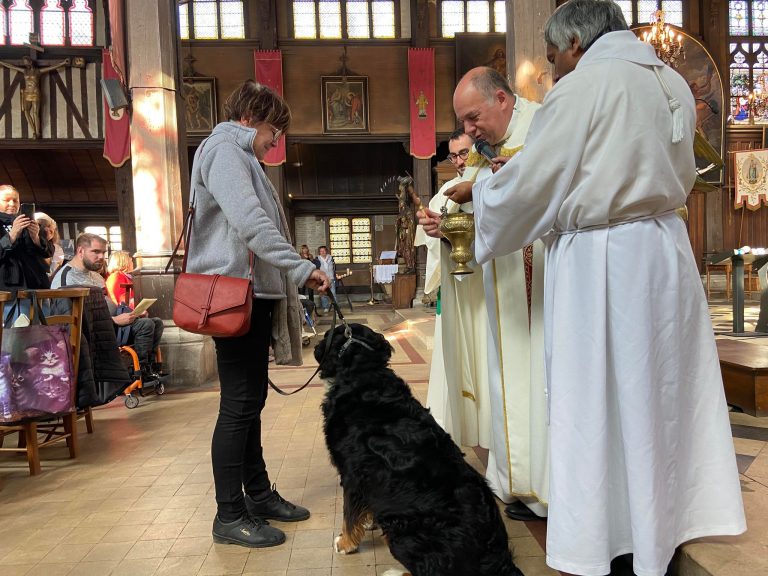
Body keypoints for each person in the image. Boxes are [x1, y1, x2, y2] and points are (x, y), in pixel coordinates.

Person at [437, 1, 746, 574]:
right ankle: (662, 526)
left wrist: (480, 197)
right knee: (659, 399)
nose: (555, 72)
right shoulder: (672, 82)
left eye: (554, 58)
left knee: (598, 402)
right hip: (665, 252)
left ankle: (610, 537)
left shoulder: (583, 89)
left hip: (604, 263)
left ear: (577, 41)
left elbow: (536, 182)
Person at [185, 80, 329, 549]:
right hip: (234, 293)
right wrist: (301, 267)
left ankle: (260, 495)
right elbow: (251, 224)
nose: (276, 141)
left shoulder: (242, 156)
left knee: (250, 404)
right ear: (252, 117)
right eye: (274, 130)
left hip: (252, 295)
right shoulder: (225, 151)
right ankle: (229, 515)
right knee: (239, 406)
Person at [421, 68, 550, 522]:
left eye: (474, 118)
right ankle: (511, 479)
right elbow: (476, 221)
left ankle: (542, 483)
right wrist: (446, 228)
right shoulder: (482, 149)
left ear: (502, 98)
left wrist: (479, 188)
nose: (469, 131)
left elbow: (545, 187)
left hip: (538, 279)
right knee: (503, 380)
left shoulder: (542, 125)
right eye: (464, 122)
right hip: (500, 284)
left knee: (537, 377)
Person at [414, 129, 474, 442]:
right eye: (453, 156)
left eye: (464, 153)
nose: (459, 161)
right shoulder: (447, 191)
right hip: (457, 288)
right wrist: (432, 227)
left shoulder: (490, 180)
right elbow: (432, 240)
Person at [51, 233, 164, 380]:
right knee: (146, 325)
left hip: (108, 326)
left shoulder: (96, 276)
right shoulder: (65, 277)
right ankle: (139, 374)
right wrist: (114, 320)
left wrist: (132, 313)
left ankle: (149, 368)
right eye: (96, 252)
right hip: (91, 333)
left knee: (156, 322)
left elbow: (108, 305)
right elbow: (71, 319)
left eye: (103, 252)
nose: (101, 257)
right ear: (80, 251)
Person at [0, 185, 54, 291]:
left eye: (15, 200)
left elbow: (49, 252)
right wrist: (12, 235)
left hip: (37, 283)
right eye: (6, 200)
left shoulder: (28, 221)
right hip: (8, 288)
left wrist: (36, 238)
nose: (12, 204)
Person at [0, 56, 69, 139]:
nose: (26, 65)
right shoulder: (25, 71)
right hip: (26, 93)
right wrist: (1, 62)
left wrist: (63, 63)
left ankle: (37, 132)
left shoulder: (38, 71)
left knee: (35, 113)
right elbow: (12, 66)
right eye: (24, 63)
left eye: (26, 63)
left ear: (30, 62)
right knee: (26, 112)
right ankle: (33, 131)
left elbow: (51, 68)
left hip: (35, 93)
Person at [316, 245, 335, 312]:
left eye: (323, 251)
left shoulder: (331, 258)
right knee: (323, 293)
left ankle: (335, 306)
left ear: (326, 251)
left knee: (333, 293)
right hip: (322, 279)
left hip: (331, 277)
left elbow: (334, 267)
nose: (322, 252)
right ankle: (325, 307)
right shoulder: (317, 259)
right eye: (321, 251)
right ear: (319, 252)